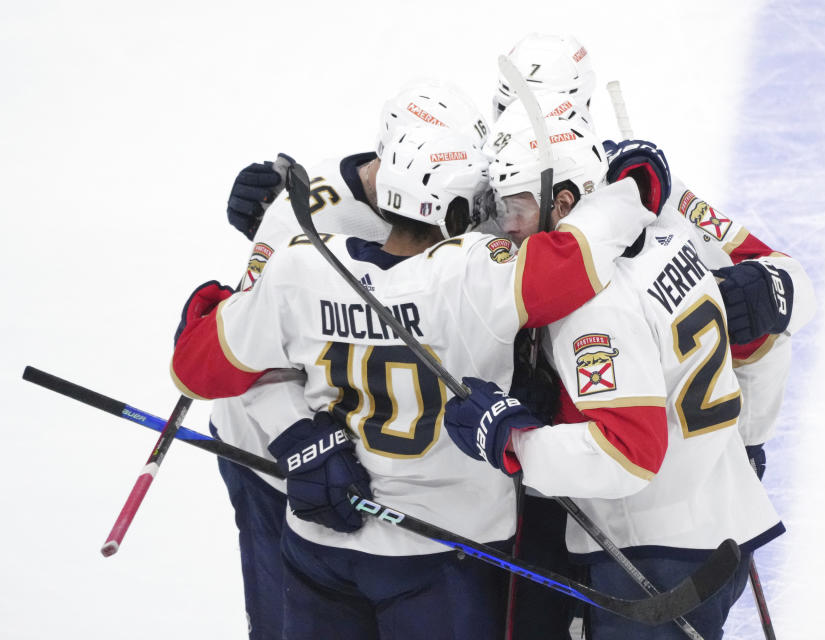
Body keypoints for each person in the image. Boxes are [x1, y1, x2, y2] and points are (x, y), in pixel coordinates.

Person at [171, 123, 662, 639]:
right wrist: (635, 187)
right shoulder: (474, 273)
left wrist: (214, 305)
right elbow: (580, 256)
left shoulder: (300, 266)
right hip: (447, 551)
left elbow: (193, 368)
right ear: (454, 208)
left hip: (323, 546)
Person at [489, 36, 815, 638]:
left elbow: (786, 281)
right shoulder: (516, 193)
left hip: (623, 510)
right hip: (611, 503)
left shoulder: (649, 197)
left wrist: (765, 295)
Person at [207, 80, 490, 639]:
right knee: (282, 618)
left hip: (382, 458)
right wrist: (297, 438)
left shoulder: (454, 188)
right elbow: (243, 352)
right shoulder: (302, 217)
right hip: (269, 455)